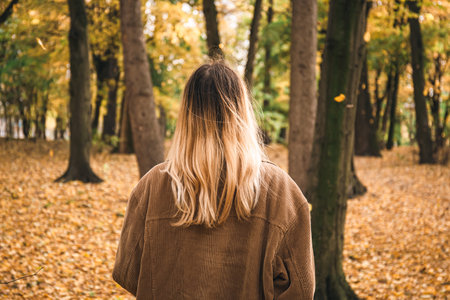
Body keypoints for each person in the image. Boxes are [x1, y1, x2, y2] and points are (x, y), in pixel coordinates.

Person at [112, 61, 315, 299]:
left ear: (187, 114)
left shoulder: (151, 187)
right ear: (242, 111)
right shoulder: (280, 191)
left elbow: (126, 272)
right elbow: (302, 287)